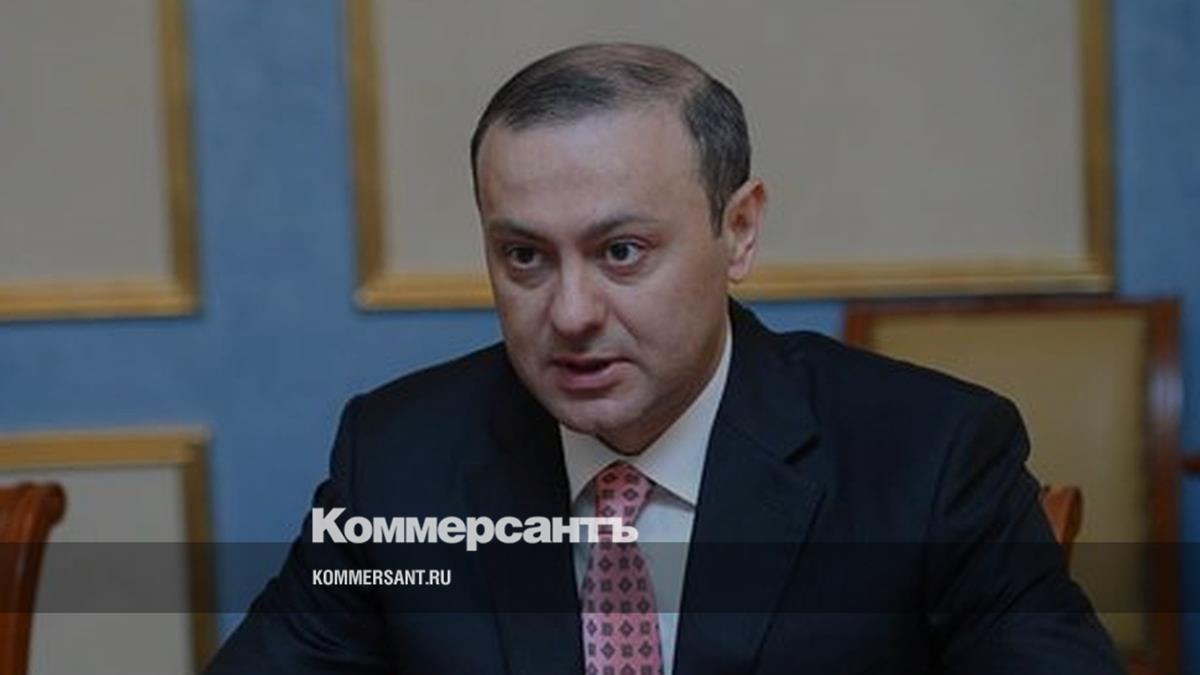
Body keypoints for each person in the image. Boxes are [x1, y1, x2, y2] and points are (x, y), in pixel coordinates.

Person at [206, 43, 1122, 674]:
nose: (570, 314)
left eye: (622, 251)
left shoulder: (930, 455)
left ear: (739, 230)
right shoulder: (399, 461)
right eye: (524, 255)